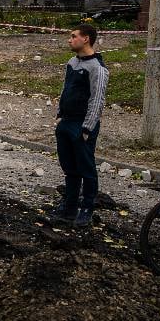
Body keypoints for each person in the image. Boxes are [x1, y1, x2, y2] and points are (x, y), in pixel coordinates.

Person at [51, 23, 109, 228]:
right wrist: (60, 114)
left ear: (86, 39)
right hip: (66, 122)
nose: (70, 39)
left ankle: (87, 208)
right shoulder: (72, 62)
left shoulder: (98, 69)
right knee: (69, 168)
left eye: (74, 36)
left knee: (86, 168)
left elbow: (97, 100)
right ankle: (69, 206)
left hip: (82, 125)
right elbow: (66, 89)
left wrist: (87, 128)